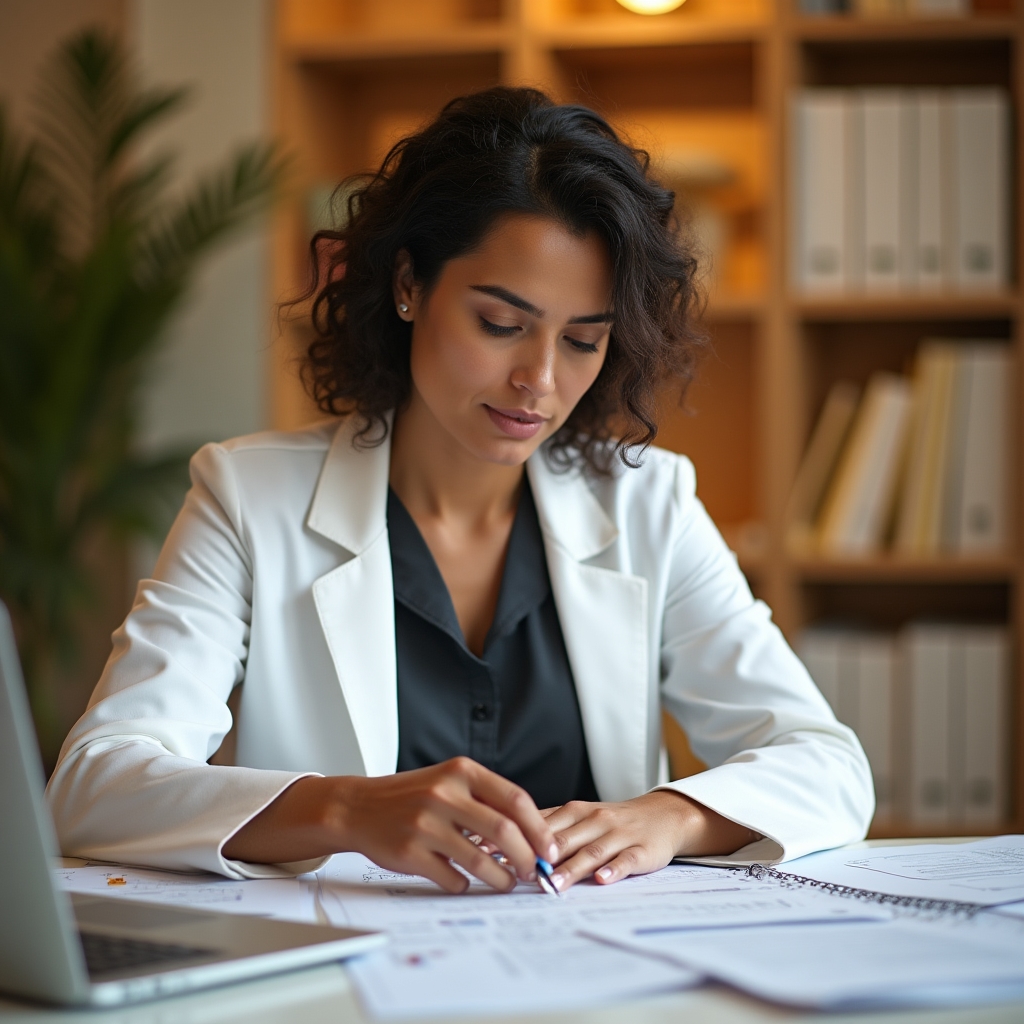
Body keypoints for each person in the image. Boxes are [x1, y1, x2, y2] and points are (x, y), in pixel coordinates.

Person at [47, 87, 873, 894]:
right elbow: (97, 784)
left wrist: (669, 817)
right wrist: (345, 809)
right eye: (500, 325)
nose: (539, 383)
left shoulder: (647, 505)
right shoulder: (247, 498)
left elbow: (827, 765)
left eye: (583, 341)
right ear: (409, 285)